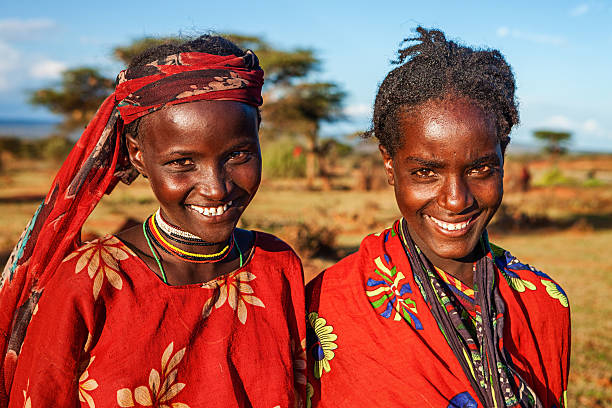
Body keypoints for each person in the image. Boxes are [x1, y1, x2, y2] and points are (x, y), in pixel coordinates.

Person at [0, 35, 306, 407]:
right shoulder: (90, 282)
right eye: (182, 162)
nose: (216, 188)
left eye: (238, 154)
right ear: (138, 156)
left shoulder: (276, 265)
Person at [306, 27, 569, 408]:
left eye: (480, 169)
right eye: (426, 172)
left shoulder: (544, 304)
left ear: (502, 160)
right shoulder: (329, 304)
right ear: (389, 164)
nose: (456, 199)